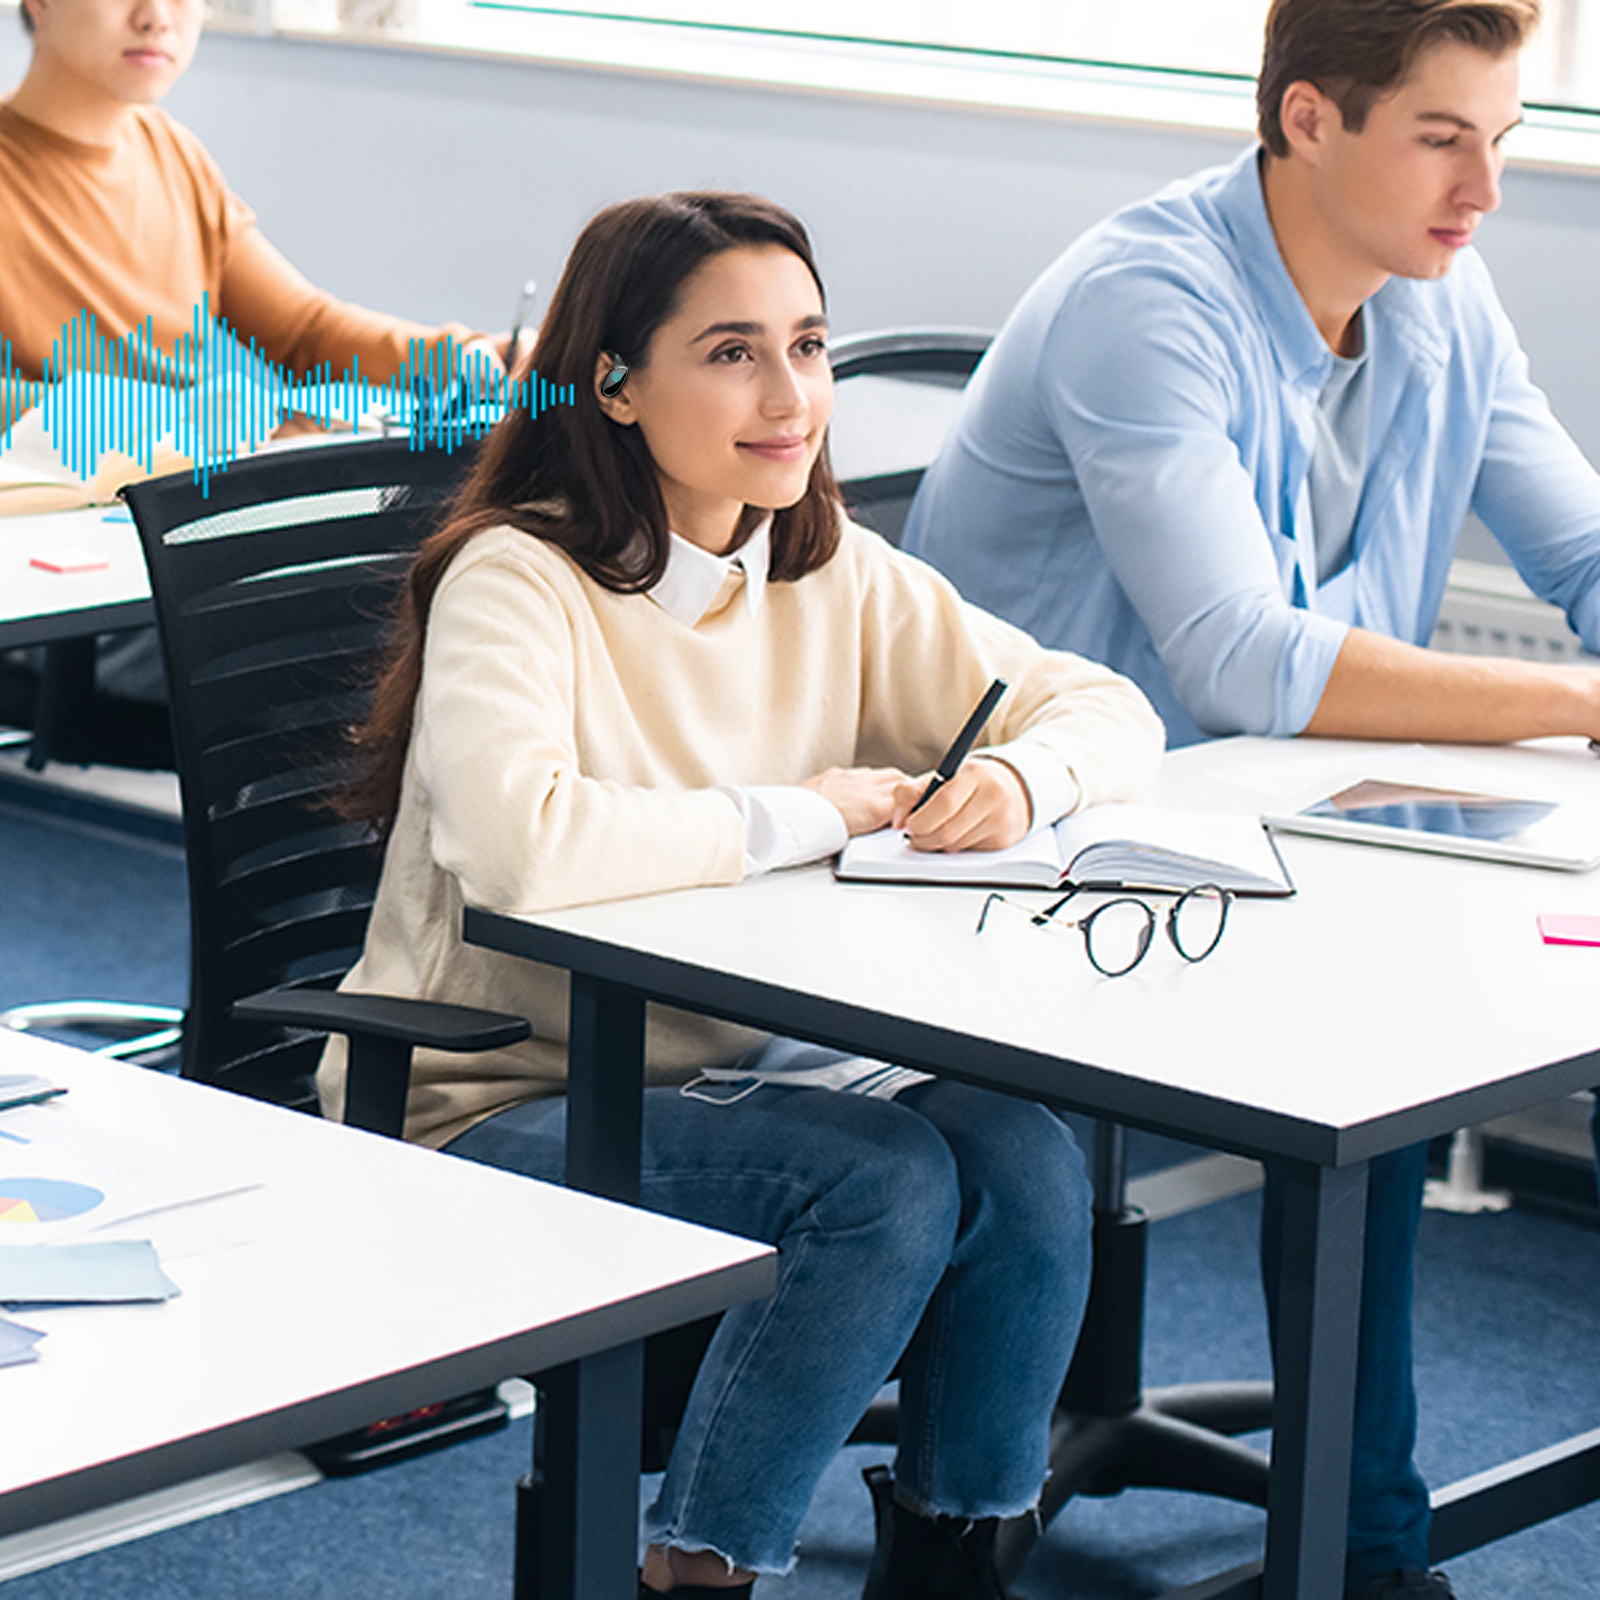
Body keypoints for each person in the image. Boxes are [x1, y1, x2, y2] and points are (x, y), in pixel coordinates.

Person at [320, 190, 1164, 1598]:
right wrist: (809, 811)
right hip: (492, 1099)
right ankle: (696, 1576)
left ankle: (954, 1566)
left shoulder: (826, 573)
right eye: (732, 353)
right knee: (882, 1181)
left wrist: (1025, 780)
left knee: (1021, 1153)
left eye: (808, 346)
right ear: (614, 384)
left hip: (731, 1078)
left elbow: (1106, 708)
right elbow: (522, 845)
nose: (791, 397)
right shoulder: (517, 579)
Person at [902, 2, 1598, 1595]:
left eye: (1503, 141)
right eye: (1443, 138)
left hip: (1271, 832)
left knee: (1460, 969)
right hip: (1034, 853)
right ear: (1307, 118)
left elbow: (1580, 551)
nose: (1485, 190)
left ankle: (1360, 1533)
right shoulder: (1145, 302)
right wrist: (1581, 703)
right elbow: (1240, 658)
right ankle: (1368, 1557)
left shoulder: (1443, 295)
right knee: (1392, 1022)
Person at [0, 0, 508, 761]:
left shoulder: (172, 156)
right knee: (382, 624)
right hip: (82, 580)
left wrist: (463, 355)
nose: (156, 17)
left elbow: (302, 330)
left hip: (193, 532)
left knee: (459, 574)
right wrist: (231, 418)